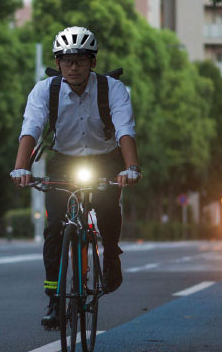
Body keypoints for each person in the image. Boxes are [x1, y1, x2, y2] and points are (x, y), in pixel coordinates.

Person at [10, 26, 141, 330]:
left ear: (93, 62)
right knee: (55, 227)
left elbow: (125, 129)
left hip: (105, 158)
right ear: (57, 63)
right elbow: (31, 127)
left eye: (81, 60)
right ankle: (54, 299)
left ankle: (111, 255)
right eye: (67, 60)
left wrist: (131, 168)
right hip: (64, 160)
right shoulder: (45, 90)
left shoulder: (112, 89)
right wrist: (21, 168)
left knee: (108, 208)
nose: (74, 67)